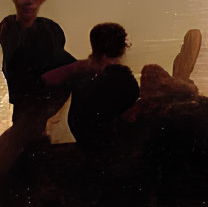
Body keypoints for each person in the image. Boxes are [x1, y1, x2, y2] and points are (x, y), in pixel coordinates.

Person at [0, 0, 75, 178]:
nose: (30, 1)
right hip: (28, 106)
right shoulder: (9, 28)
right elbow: (19, 58)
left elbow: (59, 61)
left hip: (48, 104)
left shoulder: (50, 29)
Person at [45, 22, 140, 161]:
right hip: (106, 138)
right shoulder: (121, 75)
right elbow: (131, 98)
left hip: (81, 132)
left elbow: (47, 79)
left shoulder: (82, 69)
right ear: (123, 47)